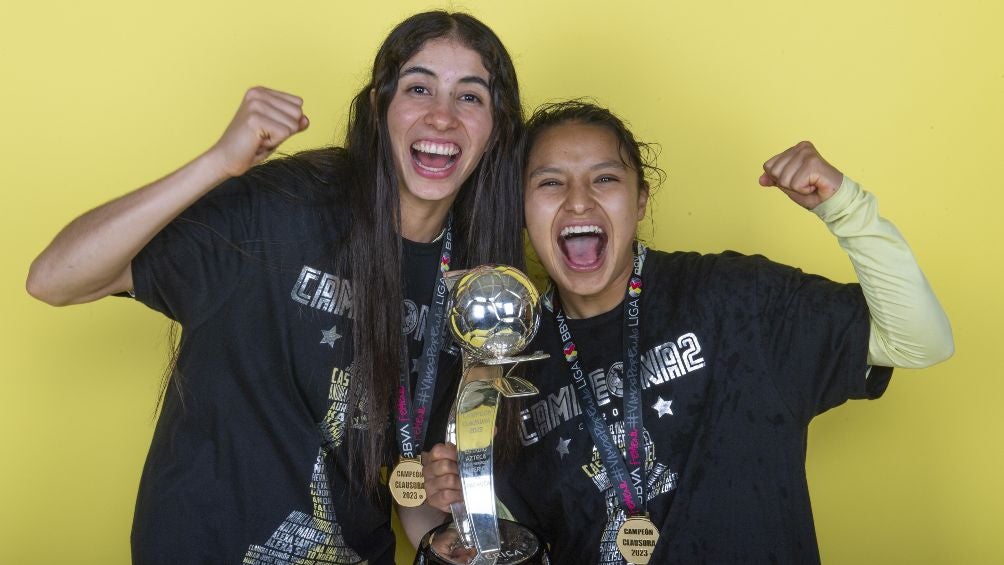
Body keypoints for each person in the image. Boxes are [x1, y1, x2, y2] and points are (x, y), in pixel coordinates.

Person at [26, 11, 524, 565]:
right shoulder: (281, 208)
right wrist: (219, 163)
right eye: (418, 88)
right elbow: (54, 278)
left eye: (470, 97)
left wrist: (440, 532)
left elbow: (407, 477)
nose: (442, 117)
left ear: (497, 127)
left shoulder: (479, 290)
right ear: (380, 109)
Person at [421, 100, 954, 564]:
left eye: (605, 178)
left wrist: (845, 206)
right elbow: (527, 543)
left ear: (641, 200)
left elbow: (920, 340)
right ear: (522, 209)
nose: (578, 200)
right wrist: (468, 506)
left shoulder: (734, 297)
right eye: (550, 182)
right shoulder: (508, 361)